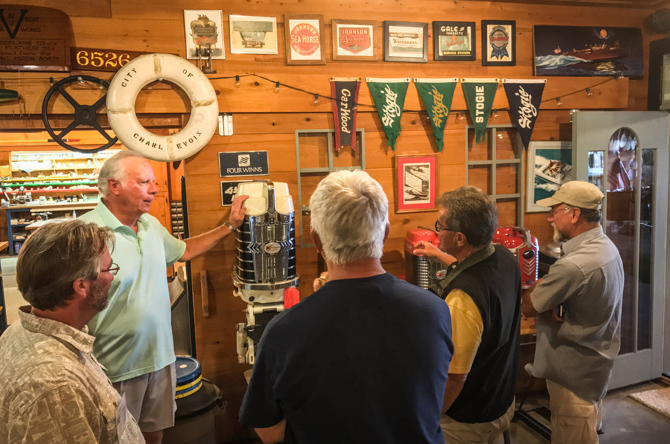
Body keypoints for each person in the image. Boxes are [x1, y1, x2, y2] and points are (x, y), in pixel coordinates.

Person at [239, 170, 454, 444]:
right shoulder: (435, 311)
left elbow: (268, 432)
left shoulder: (285, 331)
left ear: (317, 241)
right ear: (385, 233)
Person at [79, 151, 248, 444]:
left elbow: (183, 251)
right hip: (111, 367)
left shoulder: (151, 226)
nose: (154, 190)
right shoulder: (85, 232)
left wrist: (230, 226)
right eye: (145, 182)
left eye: (154, 182)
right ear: (114, 186)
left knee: (153, 436)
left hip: (159, 360)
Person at [0, 220, 145, 443]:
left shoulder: (24, 330)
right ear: (81, 286)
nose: (111, 277)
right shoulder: (56, 386)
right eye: (108, 269)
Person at [414, 186, 521, 444]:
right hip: (501, 399)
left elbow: (455, 377)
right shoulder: (505, 258)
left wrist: (430, 420)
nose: (437, 232)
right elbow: (478, 271)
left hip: (469, 420)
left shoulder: (462, 300)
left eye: (440, 226)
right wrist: (439, 255)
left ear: (460, 238)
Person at [522, 181, 624, 444]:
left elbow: (529, 305)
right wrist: (558, 301)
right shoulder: (608, 248)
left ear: (575, 213)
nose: (550, 217)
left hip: (573, 378)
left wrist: (538, 286)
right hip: (595, 367)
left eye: (555, 210)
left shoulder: (573, 266)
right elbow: (588, 298)